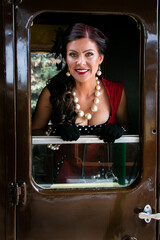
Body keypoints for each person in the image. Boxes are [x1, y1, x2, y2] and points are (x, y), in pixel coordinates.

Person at [32, 23, 129, 183]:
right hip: (61, 181)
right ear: (66, 58)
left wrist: (120, 129)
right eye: (73, 54)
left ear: (100, 58)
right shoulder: (51, 92)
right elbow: (33, 132)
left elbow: (127, 125)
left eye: (89, 54)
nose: (81, 62)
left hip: (106, 181)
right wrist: (56, 131)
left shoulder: (117, 90)